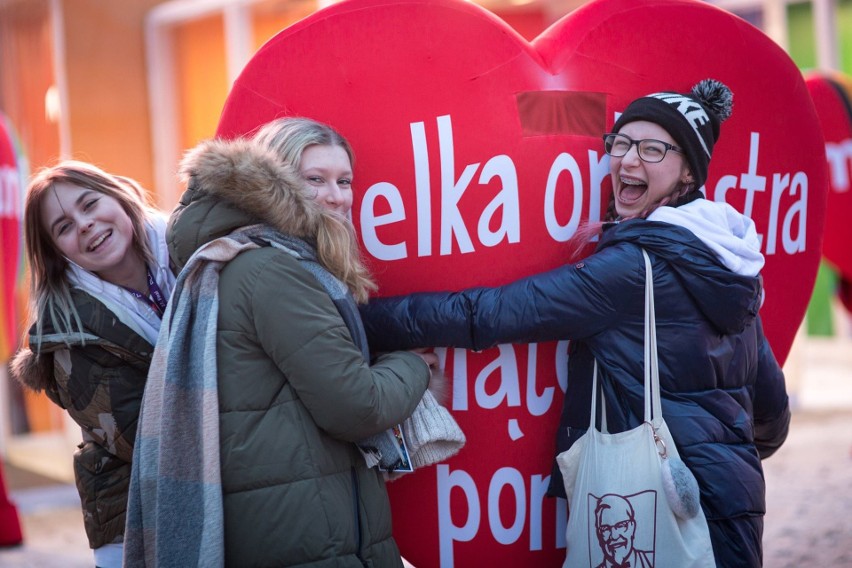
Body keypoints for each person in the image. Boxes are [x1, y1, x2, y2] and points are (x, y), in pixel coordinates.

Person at [359, 79, 791, 567]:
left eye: (653, 149)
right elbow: (772, 418)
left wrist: (359, 321)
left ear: (689, 171)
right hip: (730, 505)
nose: (628, 160)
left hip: (656, 509)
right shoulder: (729, 264)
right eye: (622, 143)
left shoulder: (632, 269)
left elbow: (485, 314)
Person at [123, 117, 437, 567]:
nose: (336, 195)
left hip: (292, 512)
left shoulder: (249, 257)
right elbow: (356, 406)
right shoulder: (272, 271)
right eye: (316, 179)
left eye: (344, 181)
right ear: (278, 183)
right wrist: (414, 368)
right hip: (306, 530)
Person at [10, 161, 175, 567]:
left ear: (118, 195)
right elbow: (148, 440)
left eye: (89, 204)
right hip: (132, 517)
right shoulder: (67, 334)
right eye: (64, 227)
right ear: (57, 253)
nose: (84, 224)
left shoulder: (192, 252)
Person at [594, 494, 653, 568]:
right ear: (599, 534)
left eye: (621, 525)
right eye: (605, 529)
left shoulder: (651, 559)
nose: (614, 536)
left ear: (633, 527)